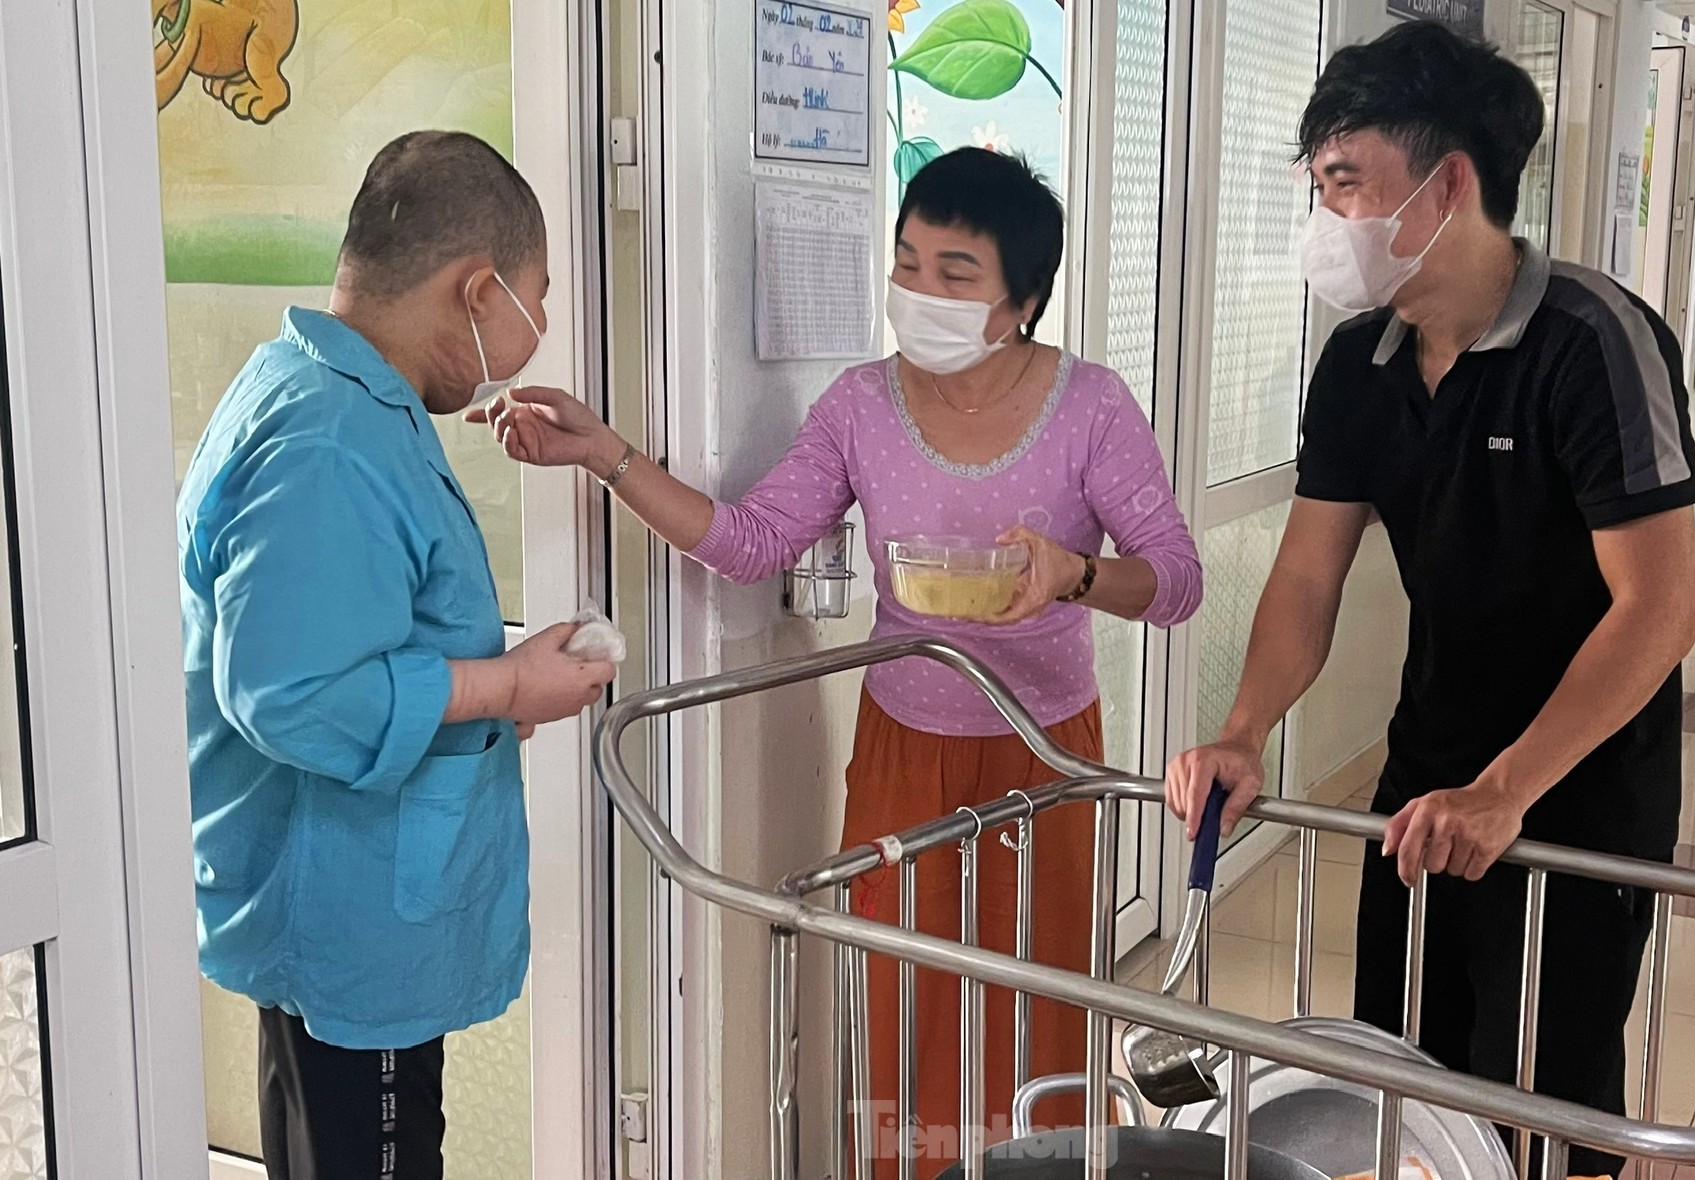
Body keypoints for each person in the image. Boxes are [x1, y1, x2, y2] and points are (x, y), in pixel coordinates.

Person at [474, 147, 1202, 1173]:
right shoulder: (863, 406)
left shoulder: (1091, 407)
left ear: (1022, 301)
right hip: (902, 745)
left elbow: (1174, 581)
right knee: (901, 1003)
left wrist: (1077, 574)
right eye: (907, 262)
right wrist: (608, 457)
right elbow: (752, 538)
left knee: (1036, 1004)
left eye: (956, 274)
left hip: (1046, 753)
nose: (919, 292)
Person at [1163, 23, 1695, 1180]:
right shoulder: (1358, 362)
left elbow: (1655, 609)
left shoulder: (1592, 341)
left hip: (1575, 796)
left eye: (1345, 183)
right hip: (1424, 788)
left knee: (1545, 1119)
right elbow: (1307, 576)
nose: (1326, 219)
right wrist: (1244, 733)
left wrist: (1507, 789)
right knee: (1404, 1091)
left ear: (1449, 183)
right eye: (1319, 187)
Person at [178, 131, 618, 1180]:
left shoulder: (334, 390)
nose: (539, 328)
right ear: (477, 289)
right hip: (349, 916)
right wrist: (509, 683)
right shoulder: (328, 440)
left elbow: (369, 628)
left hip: (344, 903)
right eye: (536, 297)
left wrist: (508, 691)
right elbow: (294, 696)